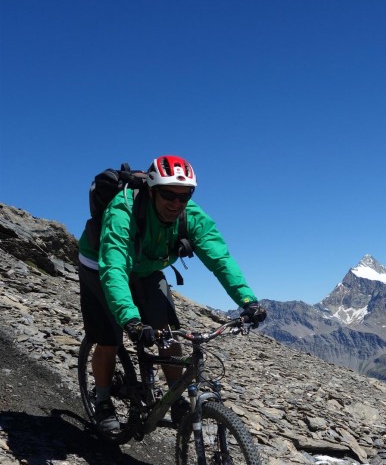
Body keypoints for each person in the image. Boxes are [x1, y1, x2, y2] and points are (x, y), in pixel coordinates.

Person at [78, 154, 266, 434]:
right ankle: (103, 400)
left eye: (185, 196)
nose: (176, 203)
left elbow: (221, 260)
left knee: (166, 332)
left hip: (147, 268)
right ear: (152, 190)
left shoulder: (191, 216)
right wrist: (130, 320)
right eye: (168, 195)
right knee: (108, 338)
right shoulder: (123, 210)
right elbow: (114, 268)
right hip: (100, 264)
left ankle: (175, 400)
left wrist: (248, 301)